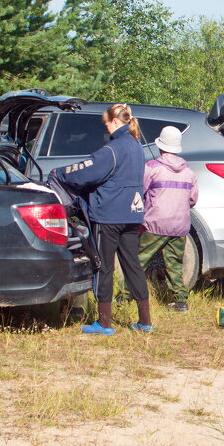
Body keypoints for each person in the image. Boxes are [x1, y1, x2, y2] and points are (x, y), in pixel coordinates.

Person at [53, 104, 151, 336]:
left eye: (106, 123)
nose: (105, 128)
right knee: (132, 265)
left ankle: (104, 323)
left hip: (108, 216)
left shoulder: (111, 150)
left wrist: (61, 174)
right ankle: (145, 321)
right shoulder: (137, 146)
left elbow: (86, 173)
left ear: (115, 122)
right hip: (131, 214)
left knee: (103, 266)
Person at [138, 126, 199, 314]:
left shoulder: (151, 168)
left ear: (160, 145)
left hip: (155, 223)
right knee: (174, 264)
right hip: (180, 225)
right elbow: (193, 199)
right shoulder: (188, 171)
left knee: (138, 261)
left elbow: (140, 192)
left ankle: (124, 296)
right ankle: (181, 302)